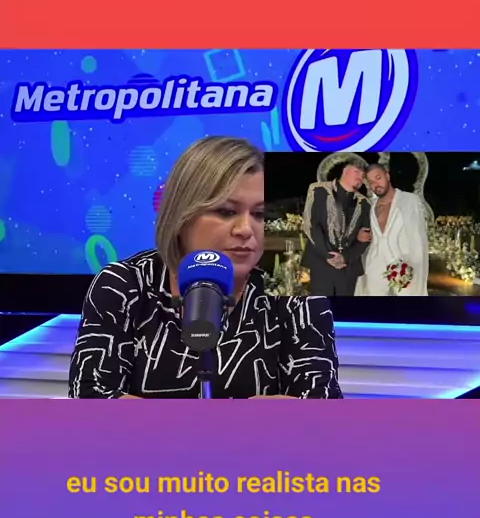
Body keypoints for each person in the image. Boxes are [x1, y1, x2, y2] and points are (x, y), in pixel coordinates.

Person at [69, 136, 343, 399]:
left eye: (259, 214)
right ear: (181, 214)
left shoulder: (295, 293)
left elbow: (322, 402)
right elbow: (92, 398)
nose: (246, 229)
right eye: (226, 211)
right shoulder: (124, 284)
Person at [355, 163, 429, 296]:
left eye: (378, 178)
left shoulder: (409, 200)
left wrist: (415, 266)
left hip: (403, 265)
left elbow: (418, 237)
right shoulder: (370, 206)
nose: (376, 184)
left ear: (387, 176)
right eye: (371, 182)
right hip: (375, 265)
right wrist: (360, 236)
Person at [301, 161, 371, 296]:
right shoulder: (318, 190)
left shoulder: (364, 203)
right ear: (344, 171)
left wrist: (345, 258)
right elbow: (311, 225)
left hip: (348, 267)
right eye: (356, 172)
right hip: (321, 263)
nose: (360, 177)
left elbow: (365, 238)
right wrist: (329, 256)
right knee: (320, 305)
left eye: (363, 176)